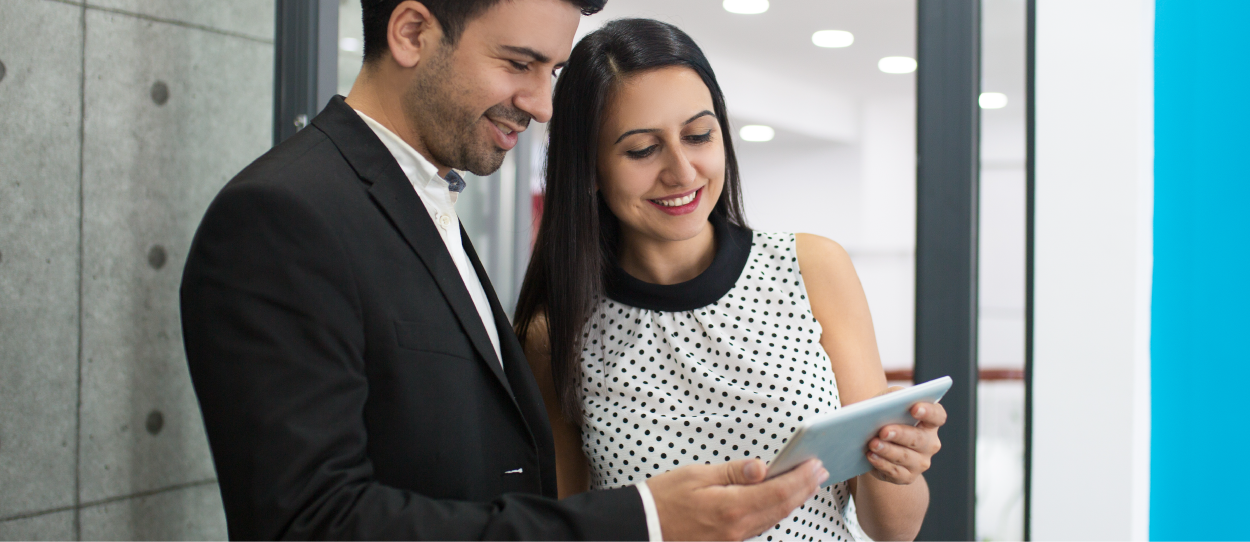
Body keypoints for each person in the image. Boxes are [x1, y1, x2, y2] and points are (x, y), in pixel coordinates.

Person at [180, 1, 829, 541]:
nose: (543, 104)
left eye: (552, 70)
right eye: (519, 64)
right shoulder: (283, 215)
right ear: (412, 32)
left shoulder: (421, 202)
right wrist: (644, 519)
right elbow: (308, 523)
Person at [514, 18, 946, 542]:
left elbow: (895, 528)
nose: (682, 170)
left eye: (699, 136)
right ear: (589, 167)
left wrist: (896, 465)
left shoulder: (811, 268)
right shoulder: (556, 330)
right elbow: (569, 529)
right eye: (642, 150)